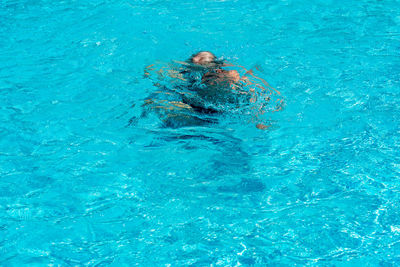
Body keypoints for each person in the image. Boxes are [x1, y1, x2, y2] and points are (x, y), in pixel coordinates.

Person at [142, 51, 281, 129]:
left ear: (218, 70)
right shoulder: (187, 82)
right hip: (197, 110)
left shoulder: (232, 78)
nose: (204, 79)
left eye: (208, 75)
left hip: (213, 115)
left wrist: (259, 118)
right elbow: (151, 69)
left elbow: (264, 95)